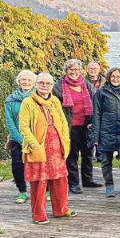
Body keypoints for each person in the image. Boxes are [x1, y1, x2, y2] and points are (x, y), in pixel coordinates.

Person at [18, 73, 77, 224]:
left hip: (56, 146)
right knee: (39, 181)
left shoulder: (55, 100)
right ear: (36, 84)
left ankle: (61, 209)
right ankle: (39, 215)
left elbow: (63, 123)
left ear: (52, 86)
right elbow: (23, 127)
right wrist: (35, 145)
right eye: (42, 83)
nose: (45, 86)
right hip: (37, 147)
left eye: (48, 84)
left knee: (60, 179)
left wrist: (66, 141)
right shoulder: (28, 102)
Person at [52, 59, 101, 194]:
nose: (74, 72)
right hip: (69, 125)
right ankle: (73, 183)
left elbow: (95, 103)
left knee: (88, 152)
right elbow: (55, 108)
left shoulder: (87, 85)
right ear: (66, 71)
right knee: (72, 155)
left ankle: (88, 180)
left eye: (76, 70)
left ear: (80, 71)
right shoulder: (58, 87)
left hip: (86, 124)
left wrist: (94, 121)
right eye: (71, 69)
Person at [92, 67, 120, 197]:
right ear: (109, 78)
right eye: (113, 76)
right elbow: (96, 115)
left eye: (118, 76)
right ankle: (109, 185)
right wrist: (96, 135)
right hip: (106, 131)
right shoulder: (101, 93)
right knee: (106, 161)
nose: (115, 79)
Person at [5, 70, 36, 203]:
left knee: (39, 164)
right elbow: (9, 122)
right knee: (18, 166)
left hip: (36, 138)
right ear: (19, 81)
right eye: (23, 79)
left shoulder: (38, 98)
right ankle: (22, 192)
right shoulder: (10, 99)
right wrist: (21, 140)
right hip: (18, 139)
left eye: (29, 80)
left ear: (34, 83)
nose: (26, 82)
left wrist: (31, 139)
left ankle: (44, 189)